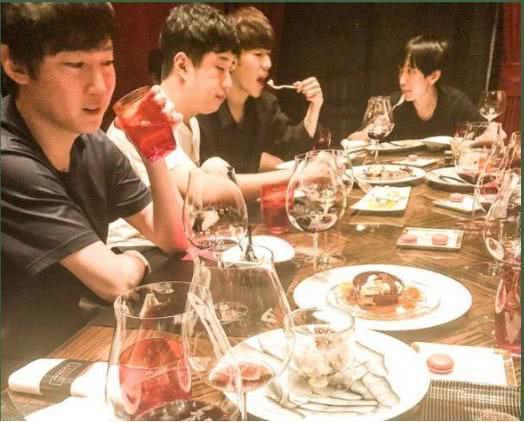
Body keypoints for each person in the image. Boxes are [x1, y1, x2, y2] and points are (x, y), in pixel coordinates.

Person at [1, 3, 187, 383]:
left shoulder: (92, 144)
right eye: (75, 66)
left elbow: (174, 237)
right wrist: (136, 258)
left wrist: (153, 147)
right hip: (14, 374)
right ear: (16, 66)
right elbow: (115, 282)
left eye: (107, 62)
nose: (99, 86)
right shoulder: (8, 160)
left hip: (69, 345)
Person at [107, 4, 298, 251]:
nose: (227, 83)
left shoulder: (192, 123)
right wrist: (297, 175)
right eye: (220, 68)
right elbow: (205, 192)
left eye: (230, 70)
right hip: (136, 251)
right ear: (183, 65)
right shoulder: (147, 112)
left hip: (171, 247)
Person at [198, 6, 324, 174]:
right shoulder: (205, 109)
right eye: (258, 54)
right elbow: (212, 181)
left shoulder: (265, 105)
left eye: (268, 54)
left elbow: (291, 149)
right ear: (232, 60)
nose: (268, 64)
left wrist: (314, 107)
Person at [348, 35, 482, 141]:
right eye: (401, 71)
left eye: (411, 72)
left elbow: (490, 132)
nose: (402, 81)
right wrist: (370, 131)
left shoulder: (455, 103)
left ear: (433, 76)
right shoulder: (393, 104)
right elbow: (351, 142)